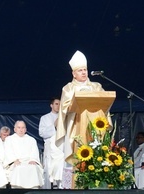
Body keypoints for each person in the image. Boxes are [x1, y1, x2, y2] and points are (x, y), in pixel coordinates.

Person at [55, 50, 112, 189]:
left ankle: (98, 185)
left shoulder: (96, 86)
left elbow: (105, 104)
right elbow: (65, 108)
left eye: (85, 70)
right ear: (73, 73)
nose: (83, 72)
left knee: (98, 155)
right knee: (78, 159)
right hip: (77, 127)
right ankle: (76, 187)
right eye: (80, 70)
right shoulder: (68, 88)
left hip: (96, 126)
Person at [4, 120, 44, 189]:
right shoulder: (9, 139)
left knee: (33, 168)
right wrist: (14, 160)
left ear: (25, 129)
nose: (21, 130)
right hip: (15, 163)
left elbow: (34, 152)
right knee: (18, 168)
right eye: (19, 127)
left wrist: (33, 160)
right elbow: (8, 152)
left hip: (29, 162)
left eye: (23, 128)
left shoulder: (31, 140)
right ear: (15, 129)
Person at [39, 97, 64, 189]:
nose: (58, 106)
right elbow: (42, 133)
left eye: (60, 104)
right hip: (50, 148)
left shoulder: (65, 117)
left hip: (62, 148)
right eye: (56, 104)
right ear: (51, 105)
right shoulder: (45, 118)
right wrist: (54, 125)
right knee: (50, 169)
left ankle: (62, 187)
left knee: (61, 168)